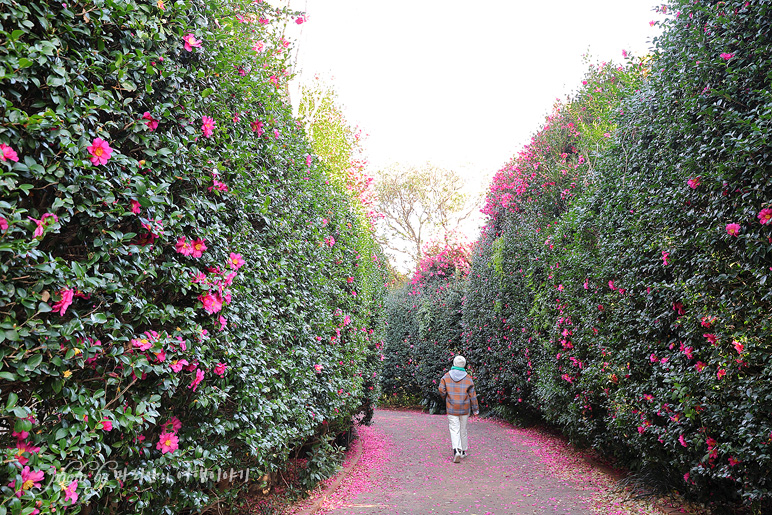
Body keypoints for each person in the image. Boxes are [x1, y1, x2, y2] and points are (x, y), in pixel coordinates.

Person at [438, 355, 479, 463]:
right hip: (464, 408)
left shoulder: (446, 376)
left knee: (454, 429)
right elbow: (473, 395)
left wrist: (446, 397)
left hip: (451, 407)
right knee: (463, 429)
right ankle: (463, 451)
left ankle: (456, 450)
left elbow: (441, 390)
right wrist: (475, 409)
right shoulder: (468, 378)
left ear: (454, 363)